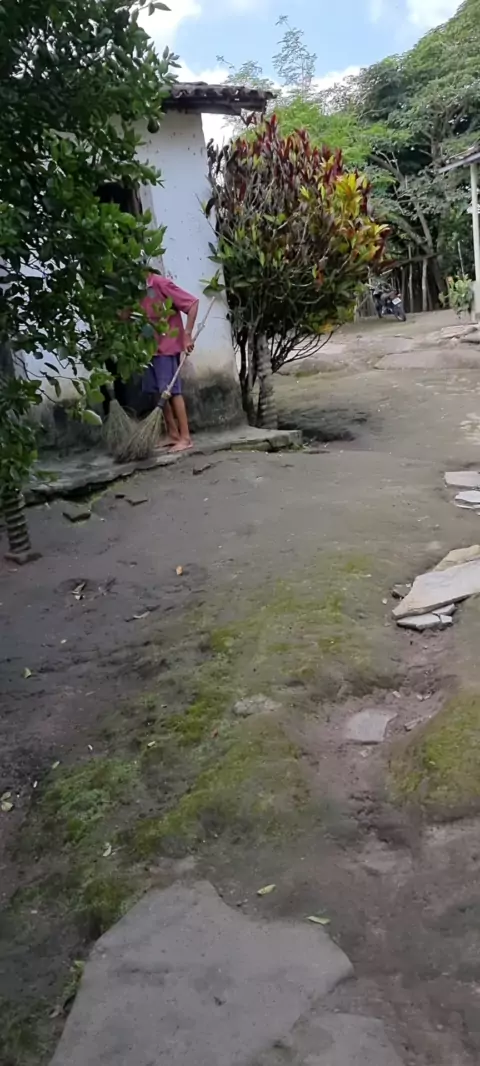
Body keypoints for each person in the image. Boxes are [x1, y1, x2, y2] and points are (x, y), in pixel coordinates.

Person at [141, 273, 199, 452]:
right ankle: (172, 434)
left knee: (172, 392)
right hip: (147, 348)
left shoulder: (159, 283)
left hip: (166, 346)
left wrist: (187, 335)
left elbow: (192, 303)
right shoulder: (133, 288)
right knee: (157, 392)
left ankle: (185, 437)